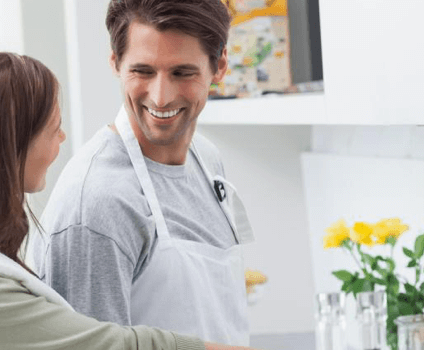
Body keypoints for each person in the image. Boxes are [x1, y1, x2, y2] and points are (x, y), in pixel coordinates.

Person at [0, 49, 256, 350]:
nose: (62, 139)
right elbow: (108, 345)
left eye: (182, 71)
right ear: (8, 149)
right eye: (53, 128)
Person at [27, 0, 256, 346]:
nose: (161, 97)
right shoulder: (98, 201)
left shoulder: (207, 160)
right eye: (143, 71)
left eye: (183, 72)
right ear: (115, 63)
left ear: (219, 65)